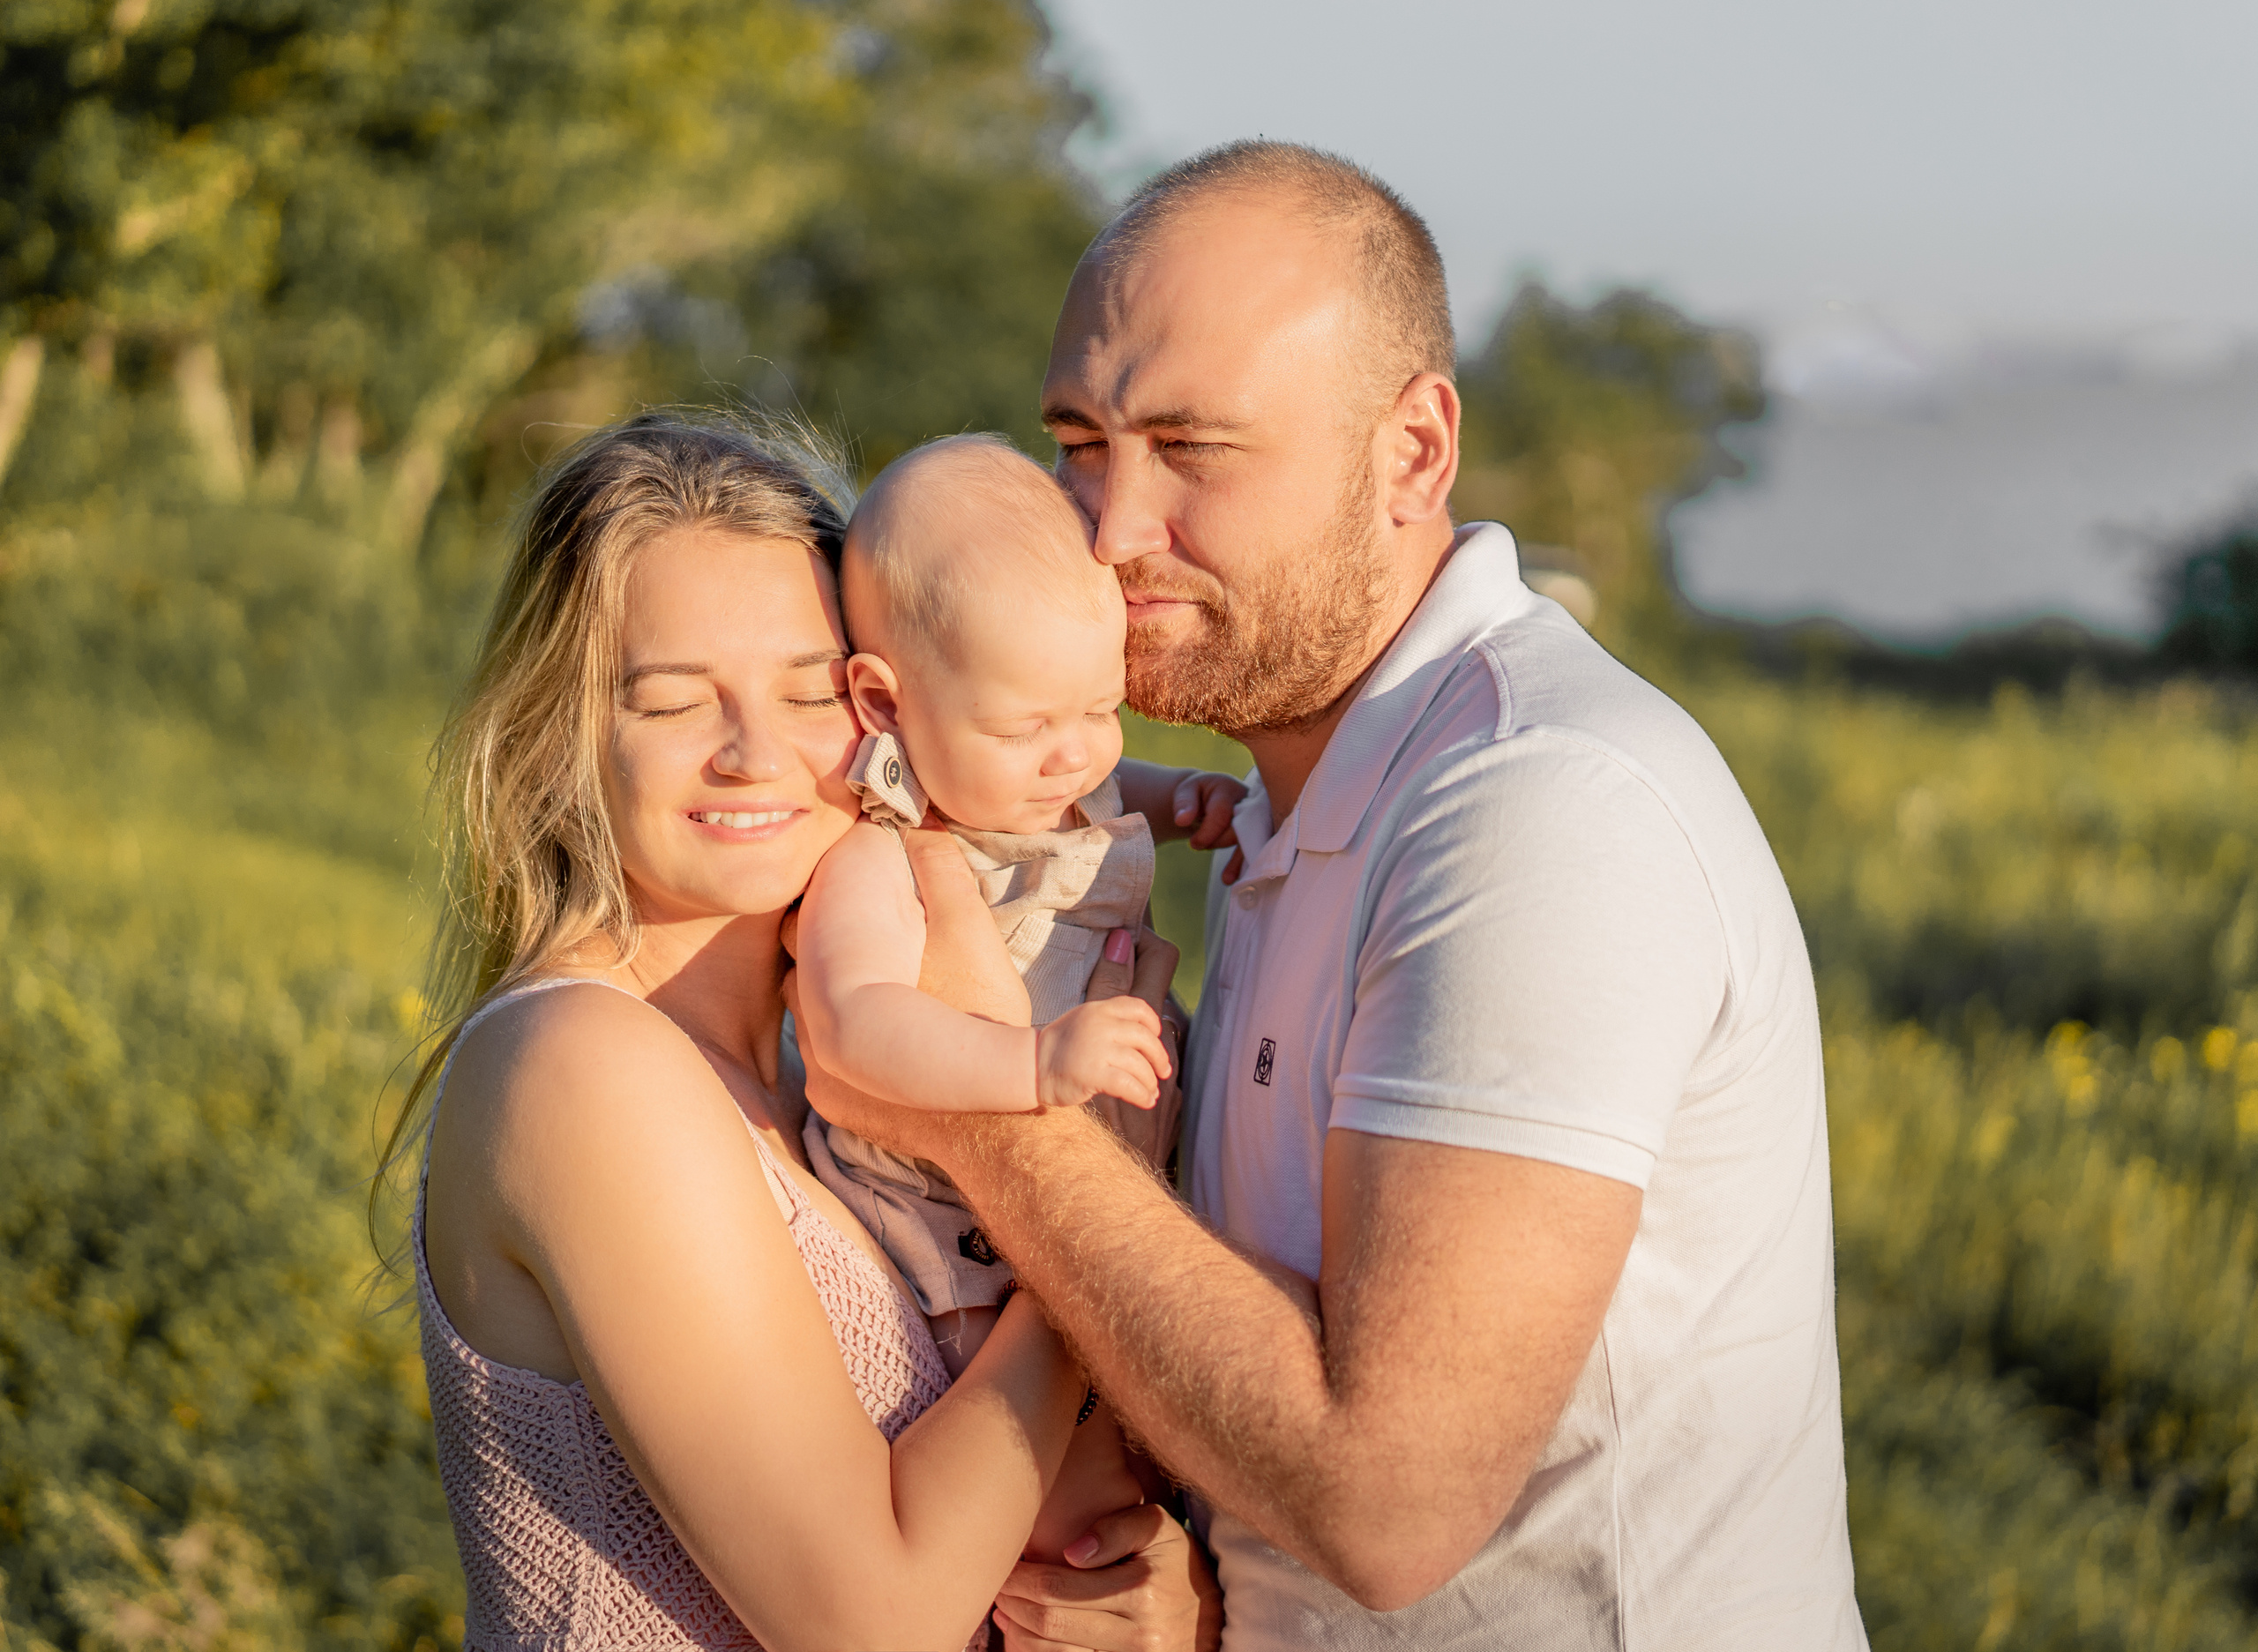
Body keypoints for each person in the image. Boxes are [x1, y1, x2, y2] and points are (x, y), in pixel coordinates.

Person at [795, 142, 1869, 1648]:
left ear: (1412, 453)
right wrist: (1198, 1597)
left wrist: (970, 1108)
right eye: (1082, 442)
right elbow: (1268, 1392)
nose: (1106, 527)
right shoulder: (1289, 794)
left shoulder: (1534, 803)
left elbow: (1385, 1502)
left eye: (1192, 446)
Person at [394, 414, 1216, 1651]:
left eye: (804, 690)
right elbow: (871, 1622)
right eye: (674, 702)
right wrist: (1103, 1194)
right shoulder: (585, 1067)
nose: (755, 754)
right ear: (564, 739)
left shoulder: (809, 1071)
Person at [794, 430, 1245, 1560]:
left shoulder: (1052, 773)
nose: (1074, 758)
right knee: (1059, 1498)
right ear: (885, 701)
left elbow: (1086, 769)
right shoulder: (885, 857)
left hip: (1095, 1204)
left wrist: (1175, 790)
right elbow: (854, 1025)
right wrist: (1033, 1069)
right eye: (1024, 727)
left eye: (1101, 709)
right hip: (958, 1250)